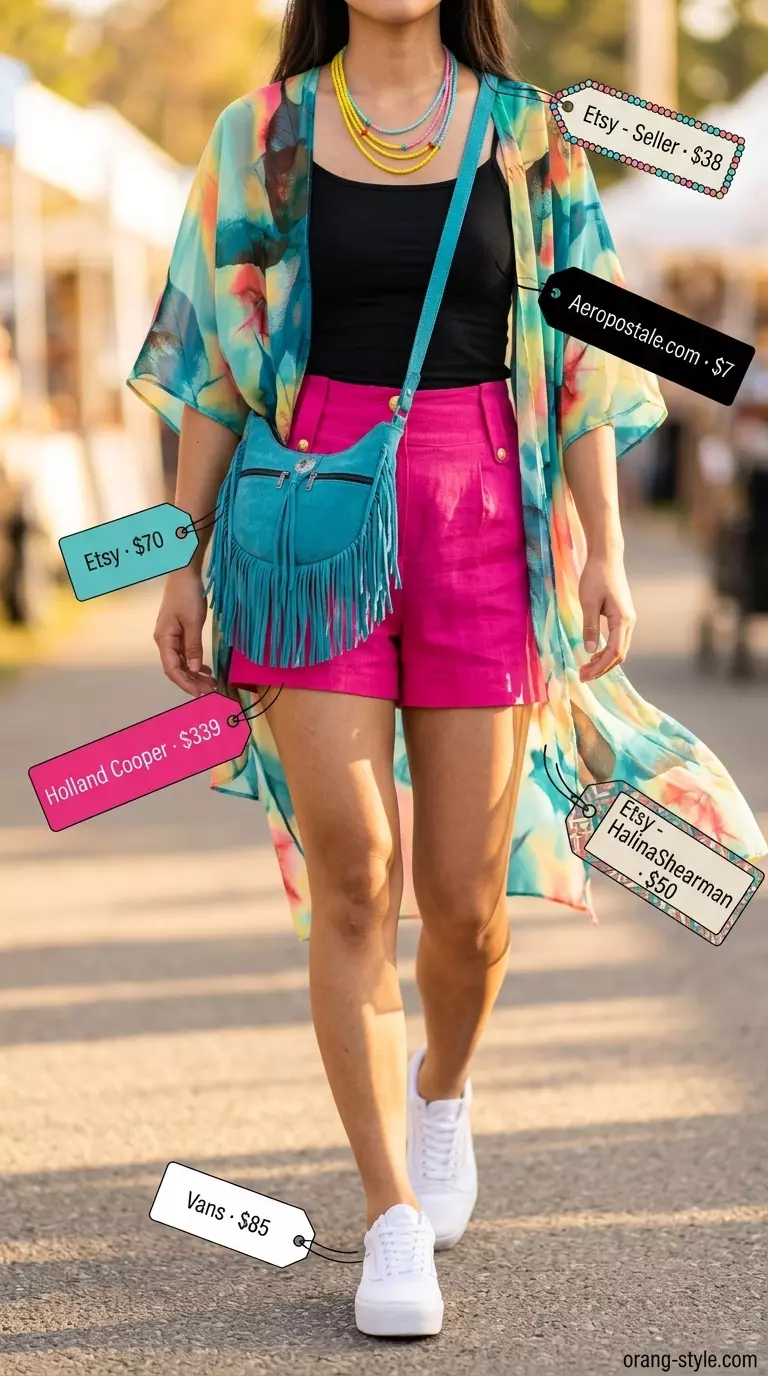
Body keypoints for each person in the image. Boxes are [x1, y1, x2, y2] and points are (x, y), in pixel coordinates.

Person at [127, 0, 767, 1341]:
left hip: (492, 506)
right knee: (355, 864)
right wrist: (178, 557)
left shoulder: (532, 137)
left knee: (466, 900)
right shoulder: (262, 137)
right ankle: (388, 1217)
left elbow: (583, 351)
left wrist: (607, 553)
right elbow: (209, 364)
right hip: (306, 509)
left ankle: (443, 1091)